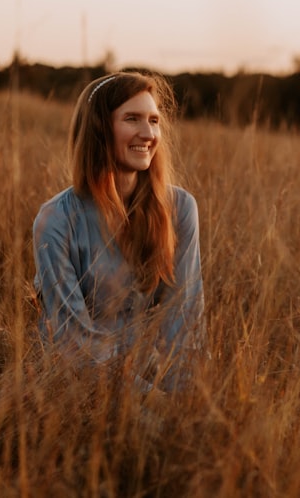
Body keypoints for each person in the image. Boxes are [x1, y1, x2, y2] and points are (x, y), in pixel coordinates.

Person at [32, 71, 205, 393]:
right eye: (132, 119)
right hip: (75, 383)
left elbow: (184, 317)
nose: (148, 133)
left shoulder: (180, 207)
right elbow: (75, 343)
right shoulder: (56, 219)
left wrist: (183, 401)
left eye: (154, 120)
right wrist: (152, 401)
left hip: (146, 369)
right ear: (100, 129)